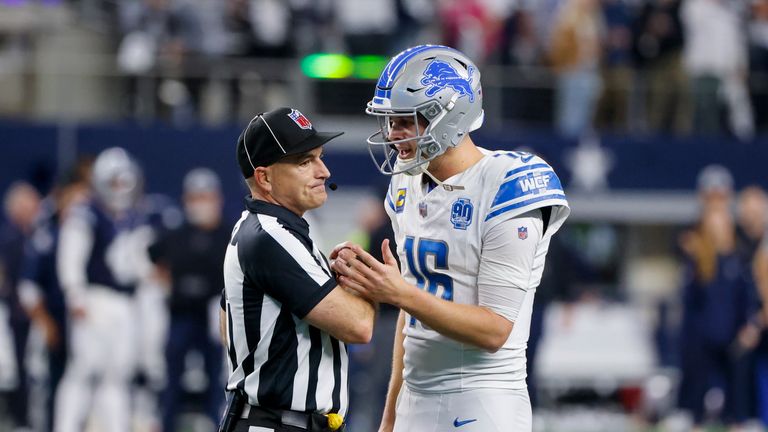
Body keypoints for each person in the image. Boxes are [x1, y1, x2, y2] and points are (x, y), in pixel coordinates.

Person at [332, 45, 571, 432]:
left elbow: (494, 329)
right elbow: (411, 316)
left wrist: (399, 293)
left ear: (447, 115)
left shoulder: (505, 183)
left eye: (404, 121)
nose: (393, 135)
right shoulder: (405, 183)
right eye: (390, 122)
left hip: (483, 399)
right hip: (416, 398)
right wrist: (390, 416)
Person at [220, 107, 376, 432]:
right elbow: (359, 326)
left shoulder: (269, 229)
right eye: (305, 162)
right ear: (264, 177)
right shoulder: (270, 236)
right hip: (280, 423)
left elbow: (228, 321)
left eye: (320, 157)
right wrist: (367, 284)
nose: (324, 171)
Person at [54, 147, 146, 432]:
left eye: (123, 181)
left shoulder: (132, 216)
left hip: (124, 304)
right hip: (94, 300)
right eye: (114, 182)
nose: (120, 189)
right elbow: (70, 257)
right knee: (82, 373)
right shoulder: (87, 212)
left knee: (116, 377)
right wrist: (75, 294)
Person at [149, 167, 230, 432]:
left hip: (214, 316)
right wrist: (164, 284)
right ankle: (167, 424)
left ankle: (217, 423)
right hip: (181, 313)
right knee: (172, 377)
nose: (201, 204)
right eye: (196, 197)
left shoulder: (229, 234)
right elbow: (151, 257)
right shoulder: (175, 232)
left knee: (217, 376)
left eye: (205, 197)